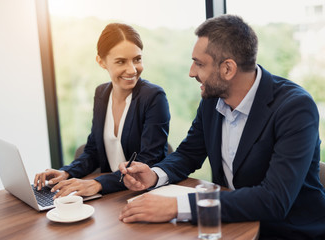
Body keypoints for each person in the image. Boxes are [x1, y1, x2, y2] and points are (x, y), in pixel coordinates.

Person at [118, 15, 325, 239]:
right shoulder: (212, 99)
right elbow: (189, 154)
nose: (191, 72)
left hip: (285, 232)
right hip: (226, 226)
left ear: (228, 69)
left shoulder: (295, 108)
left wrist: (176, 206)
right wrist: (155, 175)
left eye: (199, 63)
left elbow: (274, 200)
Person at [34, 23, 170, 198]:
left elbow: (149, 159)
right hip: (111, 195)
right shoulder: (102, 94)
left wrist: (97, 183)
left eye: (137, 59)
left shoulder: (153, 97)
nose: (132, 69)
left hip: (143, 194)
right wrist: (66, 173)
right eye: (121, 61)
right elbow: (93, 151)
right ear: (101, 61)